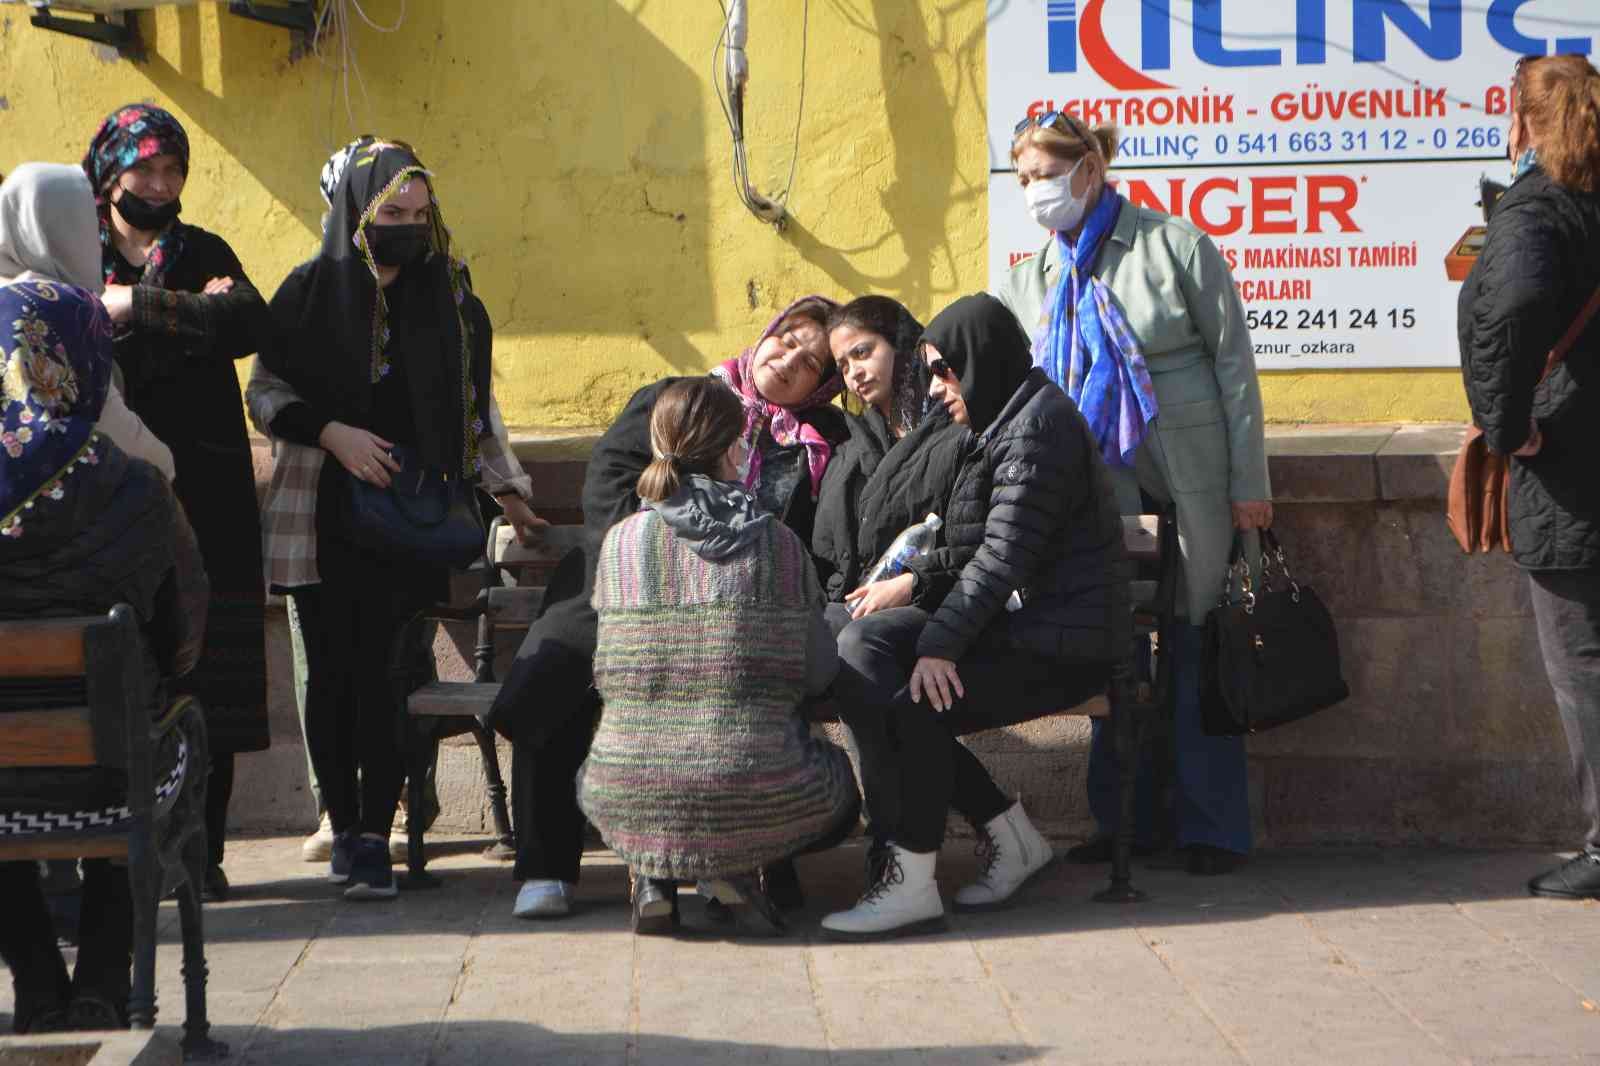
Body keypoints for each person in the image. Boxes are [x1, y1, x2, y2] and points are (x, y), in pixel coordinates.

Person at [488, 295, 848, 920]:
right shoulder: (684, 397)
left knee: (751, 689)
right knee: (561, 673)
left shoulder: (818, 444)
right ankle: (547, 866)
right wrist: (663, 562)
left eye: (811, 362)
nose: (789, 359)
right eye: (787, 338)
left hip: (738, 607)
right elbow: (607, 477)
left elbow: (812, 539)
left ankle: (749, 861)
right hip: (622, 587)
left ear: (823, 385)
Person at [254, 137, 544, 901]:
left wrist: (508, 489)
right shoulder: (311, 290)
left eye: (421, 213)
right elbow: (268, 391)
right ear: (356, 212)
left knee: (388, 675)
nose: (409, 226)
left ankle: (377, 835)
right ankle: (343, 823)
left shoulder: (451, 298)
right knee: (331, 678)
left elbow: (478, 409)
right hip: (322, 508)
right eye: (392, 212)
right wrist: (333, 434)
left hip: (407, 518)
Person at [995, 110, 1271, 875]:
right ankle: (1126, 824)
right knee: (1116, 658)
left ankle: (1213, 829)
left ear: (1090, 170)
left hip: (1193, 485)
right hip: (1095, 497)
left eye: (1045, 174)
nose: (1035, 192)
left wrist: (1251, 484)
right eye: (1023, 180)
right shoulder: (1031, 279)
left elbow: (1234, 369)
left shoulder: (1174, 248)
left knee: (1196, 648)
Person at [819, 294, 1127, 940]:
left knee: (911, 704)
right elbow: (981, 549)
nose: (936, 386)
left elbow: (1002, 555)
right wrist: (935, 632)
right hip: (1024, 627)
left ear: (980, 361)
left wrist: (940, 644)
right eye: (930, 371)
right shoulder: (1007, 421)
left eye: (944, 370)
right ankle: (998, 841)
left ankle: (909, 876)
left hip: (1064, 648)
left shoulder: (1037, 429)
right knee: (869, 646)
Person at [0, 279, 209, 1031]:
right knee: (150, 736)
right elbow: (185, 641)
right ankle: (99, 977)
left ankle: (33, 979)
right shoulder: (138, 487)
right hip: (113, 770)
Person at [577, 377, 858, 933]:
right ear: (736, 449)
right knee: (841, 785)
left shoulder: (622, 544)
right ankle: (728, 866)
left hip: (623, 790)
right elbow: (817, 671)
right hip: (756, 788)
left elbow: (609, 663)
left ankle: (653, 876)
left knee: (628, 766)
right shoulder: (777, 545)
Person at [83, 104, 272, 900]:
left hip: (209, 489)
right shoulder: (72, 250)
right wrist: (182, 311)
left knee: (211, 665)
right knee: (131, 660)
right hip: (107, 497)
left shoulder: (199, 249)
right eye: (146, 169)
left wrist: (134, 307)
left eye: (173, 172)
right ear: (110, 171)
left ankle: (203, 850)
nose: (160, 185)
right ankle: (122, 847)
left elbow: (245, 318)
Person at [1459, 54, 1600, 900]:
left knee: (1581, 662)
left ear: (1520, 120)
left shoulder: (1537, 208)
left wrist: (1511, 428)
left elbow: (1506, 315)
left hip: (1571, 470)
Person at [0, 163, 174, 480]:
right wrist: (166, 466)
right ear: (61, 228)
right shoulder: (56, 307)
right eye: (88, 222)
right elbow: (119, 433)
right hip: (52, 510)